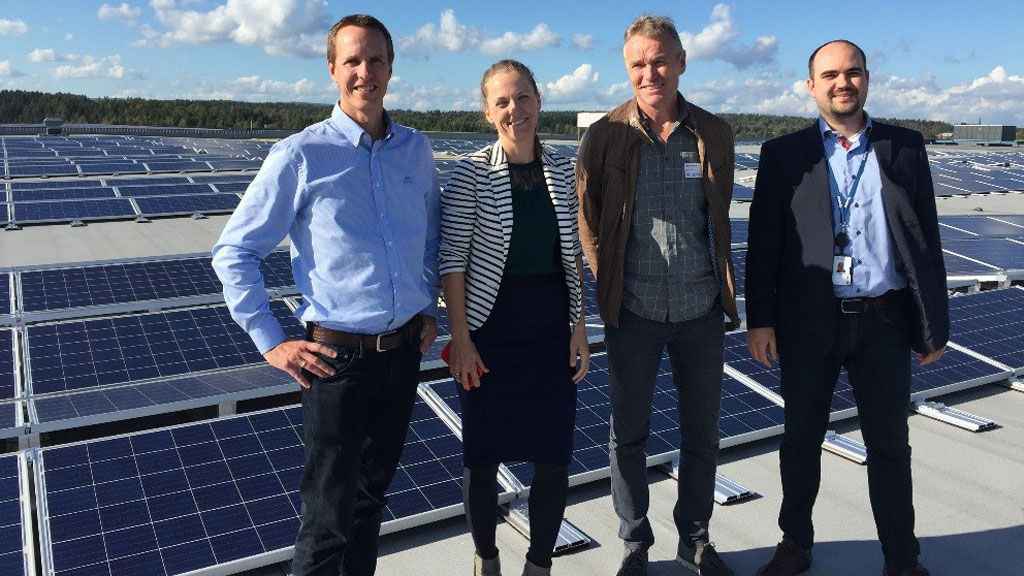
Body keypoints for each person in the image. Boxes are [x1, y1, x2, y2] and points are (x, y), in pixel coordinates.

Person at [211, 14, 440, 576]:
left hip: (403, 356)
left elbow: (431, 240)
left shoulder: (416, 150)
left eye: (377, 60)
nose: (366, 72)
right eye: (353, 61)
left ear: (391, 68)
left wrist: (429, 309)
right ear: (333, 69)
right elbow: (234, 252)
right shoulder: (300, 155)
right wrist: (271, 341)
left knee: (369, 508)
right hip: (336, 365)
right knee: (327, 518)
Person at [745, 39, 948, 576]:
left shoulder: (904, 147)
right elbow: (765, 244)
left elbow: (926, 237)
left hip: (884, 319)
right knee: (800, 441)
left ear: (867, 79)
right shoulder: (784, 154)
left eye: (853, 72)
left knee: (890, 448)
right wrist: (759, 319)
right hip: (809, 322)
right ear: (811, 86)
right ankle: (796, 545)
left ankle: (902, 559)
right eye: (830, 74)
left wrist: (934, 324)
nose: (843, 82)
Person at [576, 14, 739, 576]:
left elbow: (715, 219)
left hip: (700, 309)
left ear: (682, 61)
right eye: (638, 64)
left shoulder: (714, 133)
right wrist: (609, 286)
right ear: (627, 69)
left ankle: (694, 539)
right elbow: (588, 222)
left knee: (703, 432)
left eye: (660, 60)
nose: (651, 73)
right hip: (635, 311)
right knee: (629, 435)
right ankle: (634, 542)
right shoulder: (604, 136)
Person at [439, 59, 589, 576]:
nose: (514, 109)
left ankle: (539, 564)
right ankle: (487, 556)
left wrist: (579, 327)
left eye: (522, 97)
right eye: (502, 101)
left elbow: (572, 253)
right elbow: (452, 261)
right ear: (487, 111)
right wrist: (460, 338)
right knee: (483, 455)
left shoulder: (564, 169)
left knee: (554, 454)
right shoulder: (471, 173)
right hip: (490, 330)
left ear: (539, 100)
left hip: (549, 326)